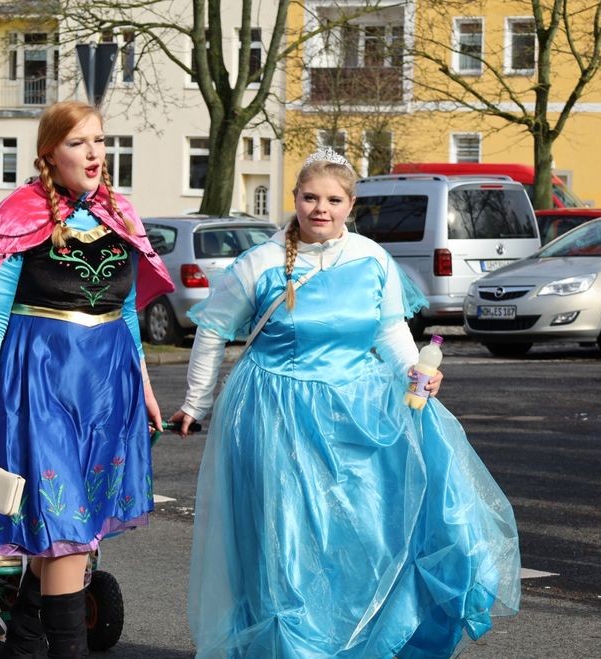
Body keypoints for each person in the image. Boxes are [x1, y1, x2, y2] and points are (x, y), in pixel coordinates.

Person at [170, 149, 521, 657]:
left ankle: (355, 641)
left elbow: (390, 329)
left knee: (361, 535)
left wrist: (413, 374)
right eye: (310, 197)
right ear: (294, 199)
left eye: (333, 200)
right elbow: (211, 331)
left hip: (357, 415)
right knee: (286, 541)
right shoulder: (262, 262)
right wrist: (195, 404)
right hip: (276, 414)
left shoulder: (371, 257)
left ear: (349, 204)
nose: (321, 209)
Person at [0, 100, 173, 658]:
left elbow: (126, 311)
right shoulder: (18, 213)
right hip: (39, 386)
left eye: (99, 140)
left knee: (73, 531)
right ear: (49, 154)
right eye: (79, 143)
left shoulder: (120, 214)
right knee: (65, 527)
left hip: (108, 388)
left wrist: (145, 387)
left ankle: (21, 647)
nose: (95, 153)